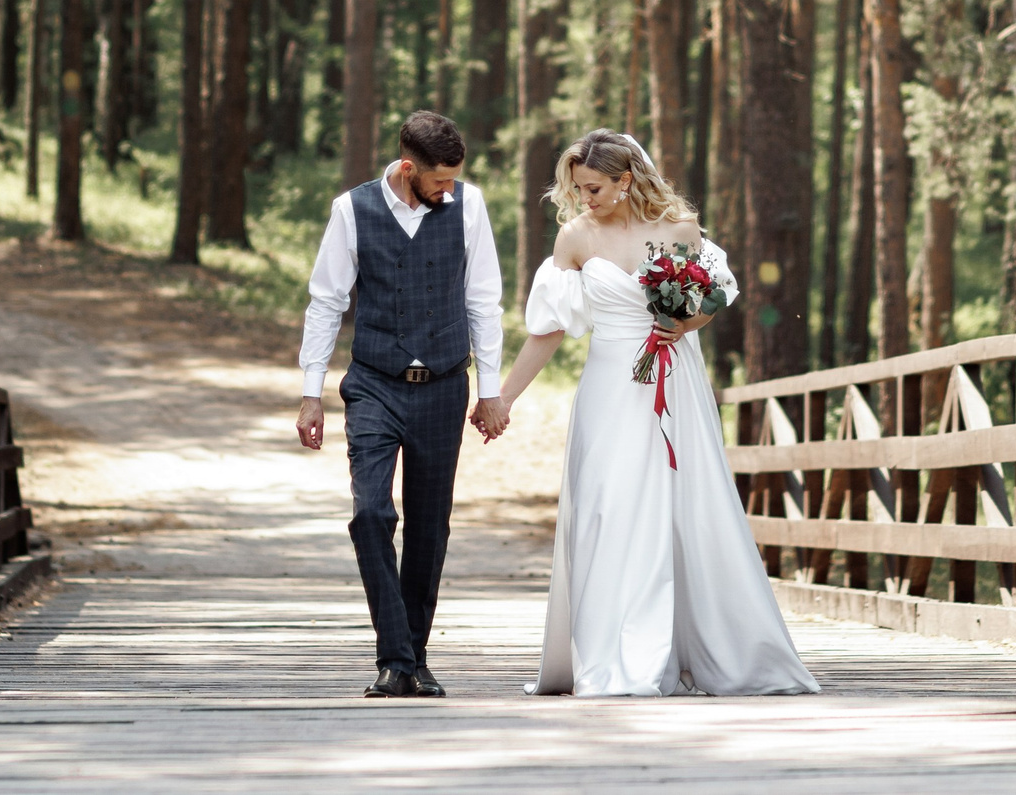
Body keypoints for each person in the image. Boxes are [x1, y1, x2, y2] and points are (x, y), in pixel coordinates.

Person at [483, 128, 819, 697]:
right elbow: (550, 329)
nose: (584, 198)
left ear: (626, 179)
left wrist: (684, 323)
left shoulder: (680, 230)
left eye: (593, 187)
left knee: (683, 505)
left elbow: (712, 297)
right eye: (578, 188)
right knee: (608, 507)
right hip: (610, 385)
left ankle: (703, 647)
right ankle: (615, 654)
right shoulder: (575, 239)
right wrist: (505, 396)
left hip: (674, 378)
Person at [296, 110, 504, 698]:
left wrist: (490, 391)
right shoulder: (352, 210)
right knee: (371, 515)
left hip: (444, 384)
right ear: (408, 168)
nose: (449, 190)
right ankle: (396, 654)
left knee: (429, 528)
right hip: (374, 384)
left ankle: (412, 657)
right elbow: (325, 302)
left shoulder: (470, 206)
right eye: (439, 180)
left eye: (454, 179)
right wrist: (311, 393)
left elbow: (484, 300)